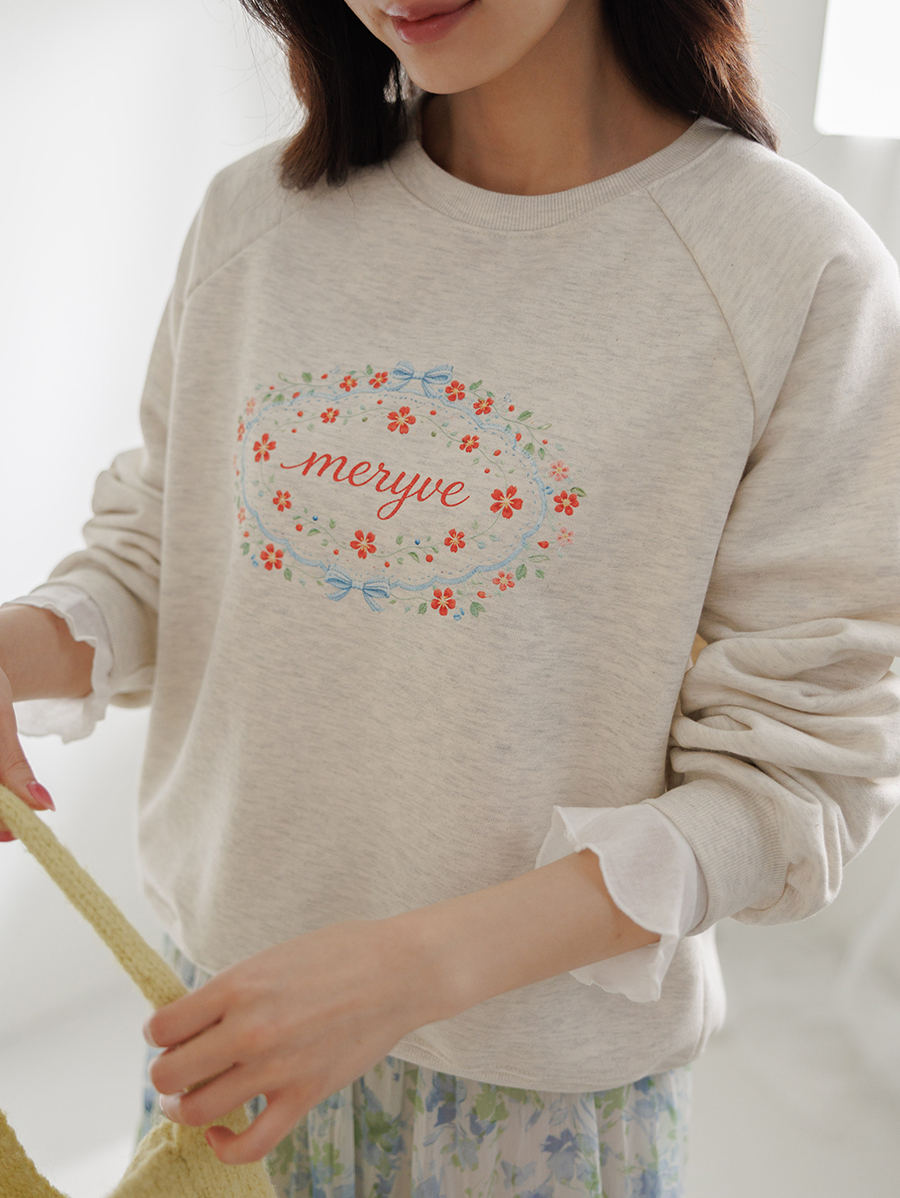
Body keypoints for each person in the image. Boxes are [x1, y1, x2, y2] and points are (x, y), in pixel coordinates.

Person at [2, 0, 899, 1194]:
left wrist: (404, 972)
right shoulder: (254, 219)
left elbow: (790, 787)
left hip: (536, 1110)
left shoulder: (795, 272)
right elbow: (160, 556)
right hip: (225, 1036)